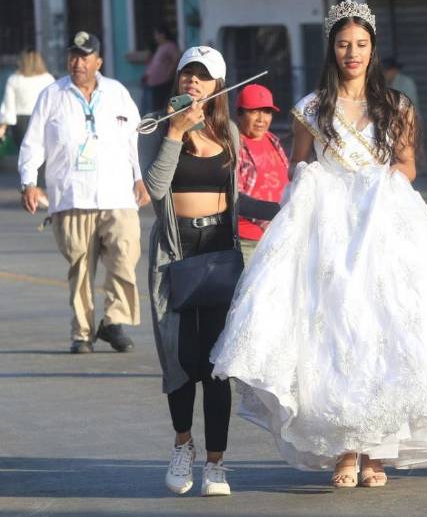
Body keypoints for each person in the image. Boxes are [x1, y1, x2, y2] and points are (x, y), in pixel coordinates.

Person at [211, 0, 427, 488]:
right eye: (344, 44)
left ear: (373, 49)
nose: (353, 53)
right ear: (332, 49)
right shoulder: (312, 108)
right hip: (328, 230)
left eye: (361, 44)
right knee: (334, 334)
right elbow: (300, 165)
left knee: (385, 333)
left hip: (381, 226)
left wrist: (383, 180)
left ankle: (377, 452)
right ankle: (345, 448)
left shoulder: (397, 106)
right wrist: (312, 181)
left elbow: (408, 166)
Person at [139, 46, 279, 498]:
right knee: (180, 359)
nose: (193, 81)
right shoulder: (156, 126)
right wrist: (175, 131)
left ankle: (216, 464)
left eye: (203, 76)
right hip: (176, 252)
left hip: (219, 249)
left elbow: (237, 198)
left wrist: (282, 209)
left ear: (218, 85)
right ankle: (183, 444)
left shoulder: (229, 132)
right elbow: (155, 187)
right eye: (187, 74)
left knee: (218, 364)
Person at [18, 31, 147, 354]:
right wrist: (29, 182)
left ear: (98, 61)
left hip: (117, 193)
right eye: (73, 56)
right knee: (80, 265)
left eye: (84, 57)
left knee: (125, 255)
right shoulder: (52, 95)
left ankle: (114, 320)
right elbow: (33, 143)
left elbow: (135, 139)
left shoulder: (117, 93)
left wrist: (140, 177)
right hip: (71, 194)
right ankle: (82, 332)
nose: (78, 63)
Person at [235, 83, 289, 263]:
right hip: (248, 241)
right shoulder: (234, 145)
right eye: (254, 111)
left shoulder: (273, 140)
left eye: (266, 112)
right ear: (239, 114)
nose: (261, 119)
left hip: (280, 235)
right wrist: (270, 220)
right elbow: (236, 196)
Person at [0, 50, 55, 155]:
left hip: (21, 123)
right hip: (43, 119)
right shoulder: (48, 79)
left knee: (25, 155)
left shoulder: (14, 79)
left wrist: (3, 126)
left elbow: (8, 107)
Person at [142, 25, 180, 112]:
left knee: (160, 107)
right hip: (153, 83)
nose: (155, 37)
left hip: (163, 82)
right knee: (152, 107)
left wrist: (169, 73)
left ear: (162, 35)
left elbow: (177, 59)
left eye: (156, 35)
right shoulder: (160, 47)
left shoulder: (170, 46)